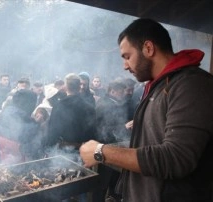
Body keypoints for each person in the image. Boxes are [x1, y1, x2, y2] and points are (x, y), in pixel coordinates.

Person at [80, 18, 213, 202]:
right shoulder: (156, 86)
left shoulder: (191, 84)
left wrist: (101, 151)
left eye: (127, 56)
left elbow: (176, 158)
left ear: (148, 48)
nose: (125, 65)